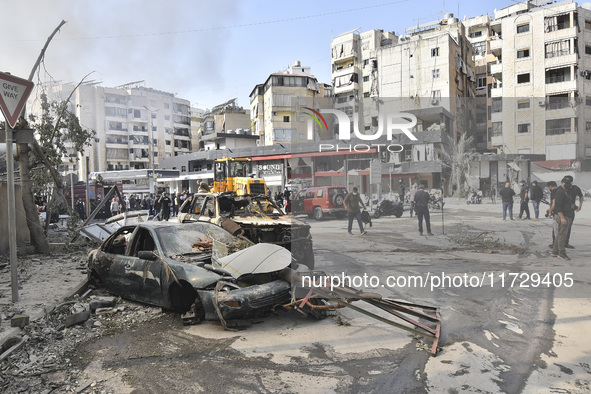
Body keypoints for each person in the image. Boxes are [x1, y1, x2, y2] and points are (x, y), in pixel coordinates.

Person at [550, 177, 575, 260]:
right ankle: (562, 253)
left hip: (566, 215)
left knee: (560, 234)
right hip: (562, 216)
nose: (568, 184)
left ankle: (554, 251)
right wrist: (562, 218)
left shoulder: (566, 192)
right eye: (566, 183)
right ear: (562, 183)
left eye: (569, 183)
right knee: (562, 235)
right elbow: (557, 206)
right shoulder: (560, 192)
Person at [563, 175, 584, 249]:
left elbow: (581, 196)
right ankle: (555, 243)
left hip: (570, 211)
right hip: (561, 210)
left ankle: (566, 243)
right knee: (558, 228)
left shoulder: (575, 188)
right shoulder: (562, 188)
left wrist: (580, 206)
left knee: (568, 227)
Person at [545, 181, 558, 248]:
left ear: (550, 186)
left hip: (557, 213)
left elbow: (554, 202)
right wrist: (549, 208)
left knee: (555, 230)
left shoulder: (553, 192)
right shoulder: (560, 190)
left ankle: (555, 245)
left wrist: (550, 211)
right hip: (562, 212)